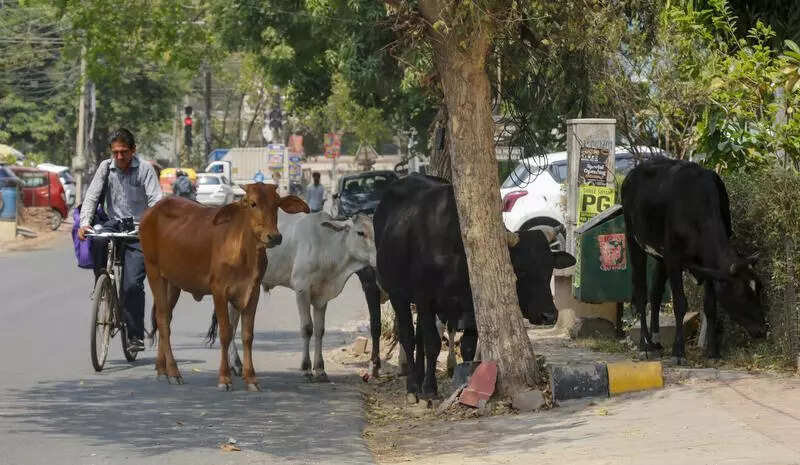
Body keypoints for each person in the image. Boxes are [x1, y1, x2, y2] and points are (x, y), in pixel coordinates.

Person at [78, 128, 163, 352]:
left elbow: (156, 202)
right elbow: (91, 197)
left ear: (133, 150)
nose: (119, 157)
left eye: (124, 152)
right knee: (96, 238)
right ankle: (102, 283)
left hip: (139, 229)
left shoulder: (144, 169)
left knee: (132, 285)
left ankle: (135, 335)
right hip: (114, 223)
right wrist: (84, 223)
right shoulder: (105, 168)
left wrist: (153, 227)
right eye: (115, 152)